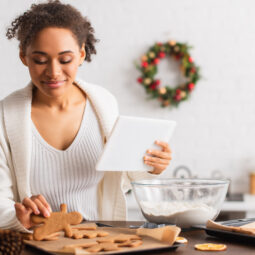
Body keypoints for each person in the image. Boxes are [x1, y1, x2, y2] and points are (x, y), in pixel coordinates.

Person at [0, 0, 172, 232]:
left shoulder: (103, 104)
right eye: (40, 60)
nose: (53, 71)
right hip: (35, 244)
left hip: (98, 240)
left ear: (81, 54)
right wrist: (18, 216)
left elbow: (124, 176)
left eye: (65, 59)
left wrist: (153, 167)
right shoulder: (5, 116)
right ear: (24, 57)